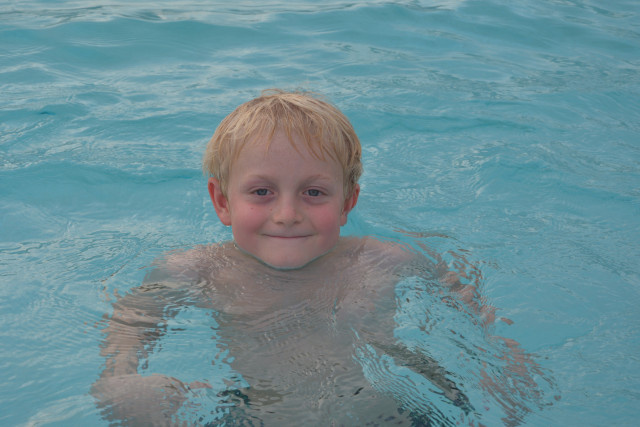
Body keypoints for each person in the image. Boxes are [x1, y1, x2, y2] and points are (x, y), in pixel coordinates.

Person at [91, 90, 553, 426]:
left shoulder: (384, 260)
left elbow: (467, 302)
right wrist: (121, 378)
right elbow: (134, 318)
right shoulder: (196, 270)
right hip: (254, 414)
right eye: (262, 192)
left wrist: (503, 360)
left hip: (384, 412)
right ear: (222, 201)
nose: (287, 214)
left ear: (348, 201)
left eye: (314, 192)